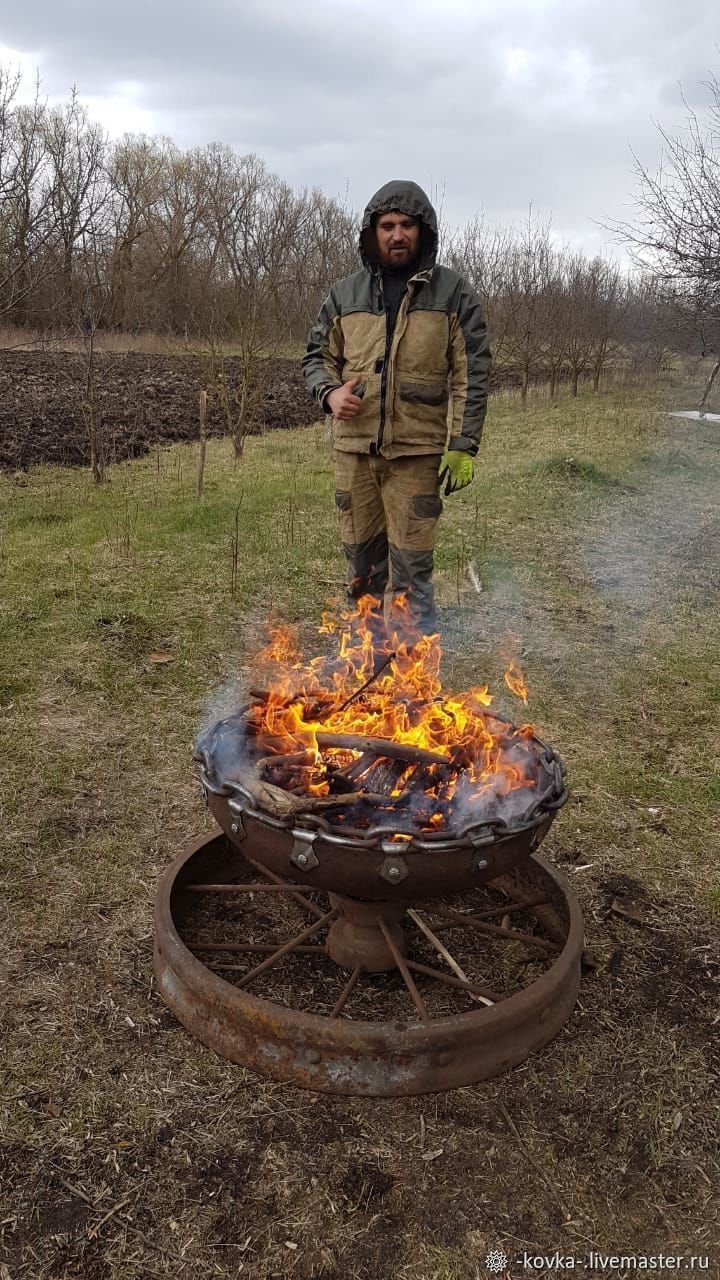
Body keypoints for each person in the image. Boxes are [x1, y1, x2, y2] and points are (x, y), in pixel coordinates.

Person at [302, 179, 491, 647]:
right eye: (387, 226)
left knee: (411, 580)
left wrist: (462, 445)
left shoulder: (453, 294)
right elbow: (315, 357)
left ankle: (413, 680)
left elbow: (473, 371)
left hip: (417, 458)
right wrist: (328, 394)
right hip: (355, 455)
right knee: (362, 575)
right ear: (373, 233)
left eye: (407, 225)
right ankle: (366, 668)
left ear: (423, 231)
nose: (397, 235)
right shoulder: (344, 295)